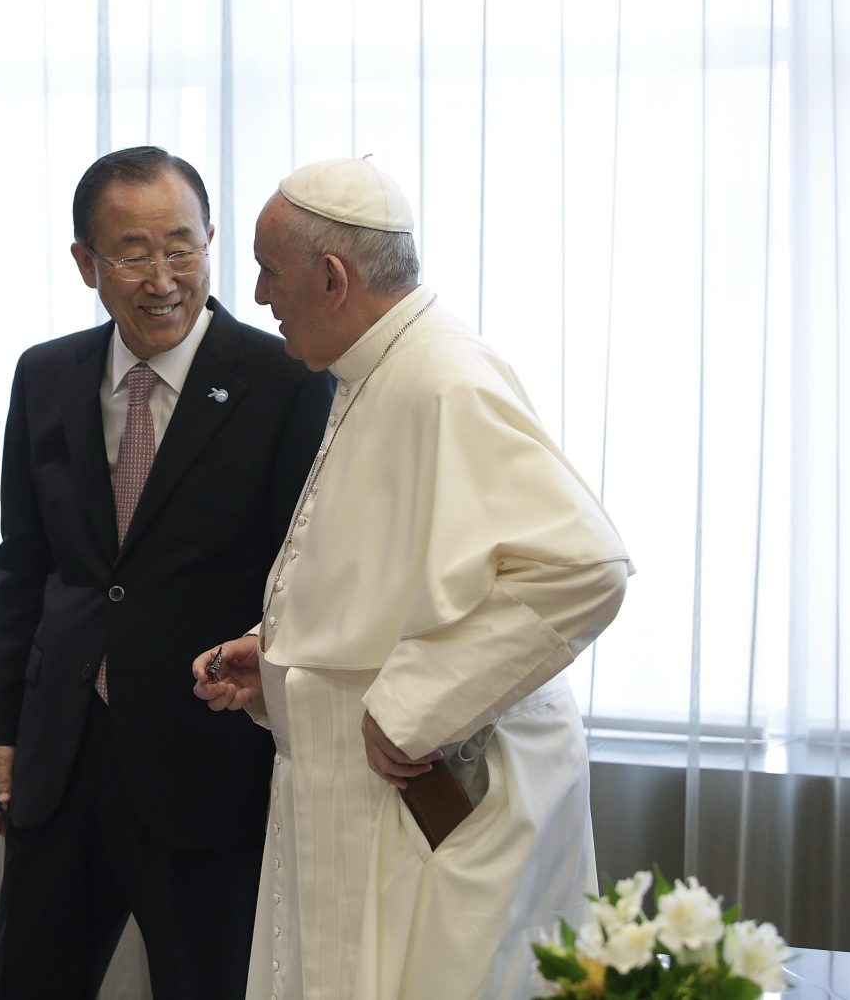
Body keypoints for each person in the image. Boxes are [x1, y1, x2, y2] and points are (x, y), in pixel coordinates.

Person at [193, 157, 632, 1000]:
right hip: (356, 812)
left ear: (331, 278)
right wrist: (276, 662)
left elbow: (584, 566)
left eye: (269, 272)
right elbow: (399, 582)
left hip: (430, 817)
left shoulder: (442, 375)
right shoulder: (377, 368)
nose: (255, 296)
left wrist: (415, 706)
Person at [0, 146, 334, 999]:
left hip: (207, 768)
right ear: (85, 262)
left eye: (182, 247)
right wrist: (1, 724)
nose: (163, 277)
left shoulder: (285, 381)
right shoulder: (46, 374)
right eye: (132, 252)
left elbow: (308, 573)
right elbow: (23, 564)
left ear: (213, 241)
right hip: (62, 762)